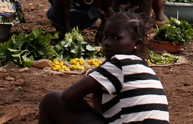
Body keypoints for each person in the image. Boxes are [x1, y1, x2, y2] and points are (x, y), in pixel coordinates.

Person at [38, 11, 169, 124]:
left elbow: (68, 96)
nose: (107, 43)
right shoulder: (144, 68)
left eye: (117, 38)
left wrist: (96, 116)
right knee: (100, 88)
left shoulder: (119, 63)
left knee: (52, 99)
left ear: (137, 43)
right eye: (106, 37)